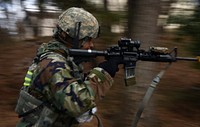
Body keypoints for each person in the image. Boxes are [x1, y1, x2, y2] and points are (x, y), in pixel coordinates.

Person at [15, 7, 120, 127]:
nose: (91, 45)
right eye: (88, 40)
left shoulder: (60, 59)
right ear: (73, 38)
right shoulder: (53, 64)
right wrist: (103, 74)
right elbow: (77, 104)